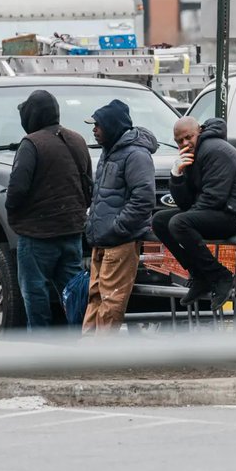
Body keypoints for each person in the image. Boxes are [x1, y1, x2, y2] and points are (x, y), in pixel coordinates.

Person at [5, 90, 92, 329]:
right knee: (73, 292)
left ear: (32, 115)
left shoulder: (31, 143)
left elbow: (17, 189)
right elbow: (88, 185)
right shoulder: (78, 140)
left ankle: (41, 346)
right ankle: (79, 339)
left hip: (36, 235)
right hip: (72, 231)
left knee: (35, 293)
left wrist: (12, 210)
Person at [153, 116, 236, 308]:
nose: (185, 143)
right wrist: (176, 175)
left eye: (189, 137)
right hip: (220, 209)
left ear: (200, 132)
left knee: (179, 223)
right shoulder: (193, 154)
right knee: (159, 221)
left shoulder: (214, 149)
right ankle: (199, 274)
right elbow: (186, 203)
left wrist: (187, 216)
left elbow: (214, 197)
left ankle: (220, 276)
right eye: (180, 141)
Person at [82, 99, 157, 333]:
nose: (94, 129)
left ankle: (100, 354)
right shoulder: (108, 152)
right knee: (95, 296)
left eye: (98, 125)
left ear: (112, 126)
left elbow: (144, 198)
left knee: (110, 300)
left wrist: (117, 228)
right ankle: (87, 351)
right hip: (102, 239)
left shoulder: (135, 155)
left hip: (119, 240)